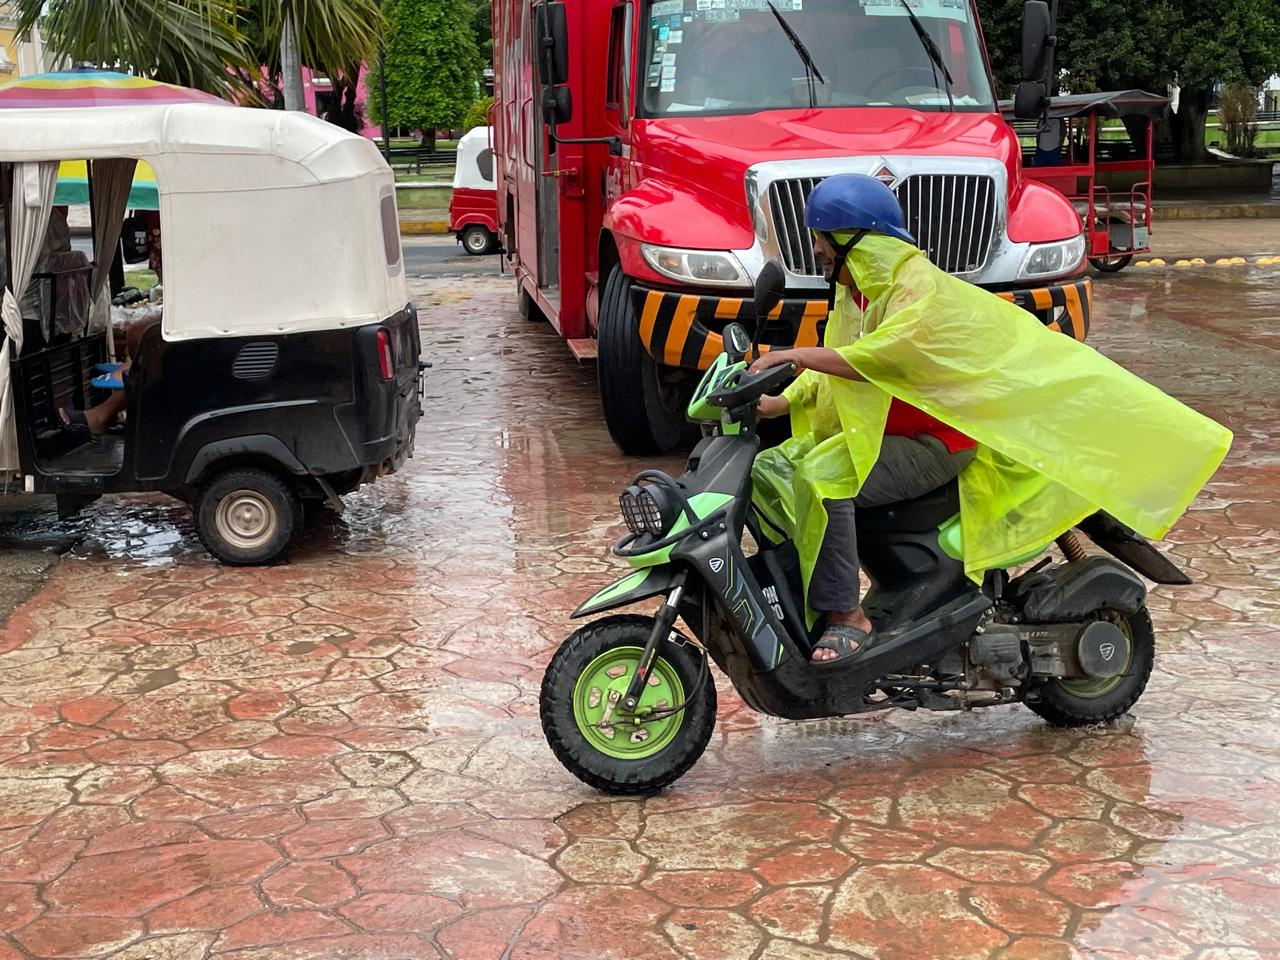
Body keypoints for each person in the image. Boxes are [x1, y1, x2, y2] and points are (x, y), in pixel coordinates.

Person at [749, 174, 1232, 667]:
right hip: (882, 436)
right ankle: (802, 601)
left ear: (855, 242)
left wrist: (800, 355)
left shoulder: (917, 290)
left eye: (821, 240)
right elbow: (843, 366)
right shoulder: (860, 295)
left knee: (823, 479)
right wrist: (778, 403)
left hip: (934, 443)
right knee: (771, 470)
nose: (817, 252)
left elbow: (886, 357)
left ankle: (847, 616)